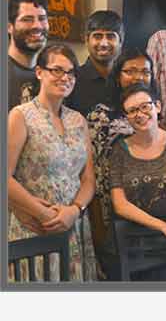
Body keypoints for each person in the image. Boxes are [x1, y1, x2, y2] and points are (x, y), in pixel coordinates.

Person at [8, 44, 97, 281]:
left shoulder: (78, 120)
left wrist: (75, 210)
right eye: (57, 70)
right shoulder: (21, 115)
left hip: (74, 226)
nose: (64, 78)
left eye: (70, 73)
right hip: (35, 226)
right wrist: (44, 215)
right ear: (39, 72)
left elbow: (88, 179)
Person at [110, 83, 166, 280]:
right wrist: (164, 228)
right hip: (133, 243)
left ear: (157, 106)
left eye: (145, 106)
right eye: (132, 111)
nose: (140, 114)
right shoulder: (119, 150)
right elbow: (120, 205)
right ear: (126, 117)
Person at [84, 48, 158, 277]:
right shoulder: (100, 117)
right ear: (117, 76)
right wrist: (99, 226)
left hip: (154, 220)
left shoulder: (155, 112)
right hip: (115, 219)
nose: (138, 77)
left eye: (145, 72)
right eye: (130, 71)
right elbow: (93, 174)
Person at [67, 10, 124, 116]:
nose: (104, 44)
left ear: (120, 42)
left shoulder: (126, 80)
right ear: (86, 40)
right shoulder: (71, 80)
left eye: (110, 36)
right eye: (97, 36)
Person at [7, 0, 49, 110]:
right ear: (9, 27)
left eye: (42, 18)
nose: (37, 26)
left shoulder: (52, 73)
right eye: (27, 19)